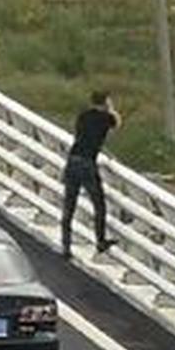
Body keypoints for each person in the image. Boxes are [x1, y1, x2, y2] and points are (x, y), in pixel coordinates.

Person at [60, 90, 119, 258]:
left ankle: (66, 246)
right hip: (87, 164)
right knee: (99, 204)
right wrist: (111, 109)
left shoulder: (83, 116)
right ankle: (100, 241)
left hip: (73, 160)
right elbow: (117, 123)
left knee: (69, 205)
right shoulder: (106, 118)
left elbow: (84, 136)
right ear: (105, 102)